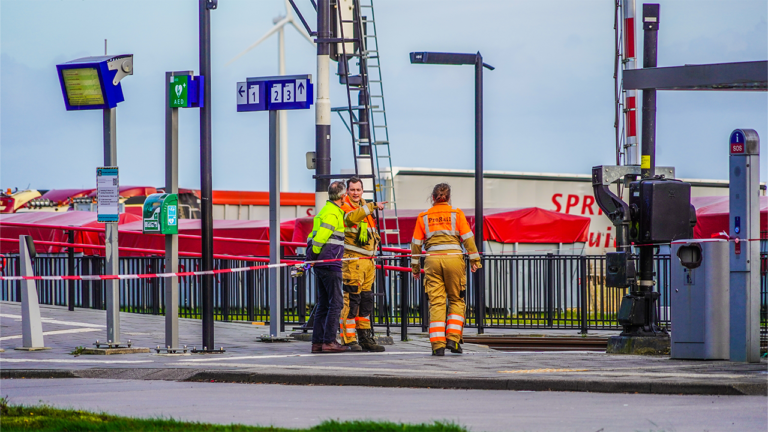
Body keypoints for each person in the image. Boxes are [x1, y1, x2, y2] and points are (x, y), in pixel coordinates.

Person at [411, 183, 481, 356]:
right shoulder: (456, 214)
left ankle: (438, 346)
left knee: (436, 302)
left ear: (433, 198)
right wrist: (475, 260)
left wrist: (415, 268)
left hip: (432, 260)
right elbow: (468, 239)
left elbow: (416, 245)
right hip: (454, 260)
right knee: (456, 300)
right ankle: (453, 339)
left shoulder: (424, 216)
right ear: (448, 198)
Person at [338, 177, 387, 352]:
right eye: (352, 190)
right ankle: (349, 339)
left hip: (368, 263)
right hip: (353, 262)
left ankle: (365, 337)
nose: (355, 193)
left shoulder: (364, 208)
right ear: (347, 192)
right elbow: (351, 220)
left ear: (362, 190)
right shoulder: (347, 207)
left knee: (366, 301)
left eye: (358, 190)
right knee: (351, 301)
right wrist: (371, 207)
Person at [306, 181, 349, 354]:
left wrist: (313, 257)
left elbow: (312, 235)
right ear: (342, 196)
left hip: (323, 263)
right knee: (336, 303)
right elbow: (321, 238)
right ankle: (329, 341)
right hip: (330, 261)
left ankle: (317, 343)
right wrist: (316, 254)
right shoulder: (333, 213)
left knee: (323, 303)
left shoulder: (325, 210)